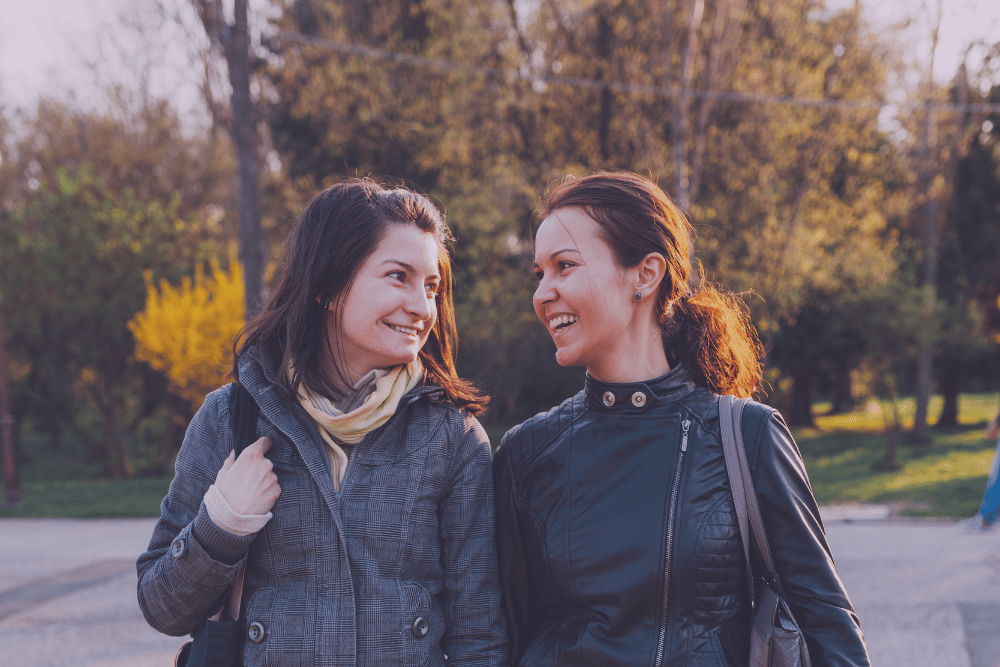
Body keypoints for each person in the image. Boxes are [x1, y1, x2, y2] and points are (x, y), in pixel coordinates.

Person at [493, 171, 869, 666]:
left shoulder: (746, 436)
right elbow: (498, 640)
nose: (543, 294)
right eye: (540, 273)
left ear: (646, 275)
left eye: (564, 266)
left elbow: (828, 630)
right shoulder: (526, 455)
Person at [137, 180, 508, 667]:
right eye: (398, 276)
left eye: (431, 286)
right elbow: (162, 609)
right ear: (329, 288)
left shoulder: (451, 439)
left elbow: (478, 637)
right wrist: (223, 524)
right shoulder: (232, 418)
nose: (422, 308)